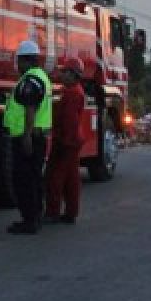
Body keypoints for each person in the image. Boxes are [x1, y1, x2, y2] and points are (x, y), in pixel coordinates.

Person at [5, 39, 53, 235]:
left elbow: (30, 109)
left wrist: (26, 137)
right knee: (34, 177)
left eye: (19, 61)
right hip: (38, 136)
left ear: (26, 61)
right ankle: (36, 216)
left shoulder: (30, 80)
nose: (17, 65)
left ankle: (29, 220)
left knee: (24, 180)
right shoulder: (41, 76)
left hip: (29, 136)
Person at [46, 58, 86, 225]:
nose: (61, 75)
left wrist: (63, 141)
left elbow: (69, 121)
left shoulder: (71, 94)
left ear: (72, 74)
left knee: (55, 177)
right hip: (72, 141)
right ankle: (71, 212)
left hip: (66, 141)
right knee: (71, 178)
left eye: (64, 72)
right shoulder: (76, 91)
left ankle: (52, 212)